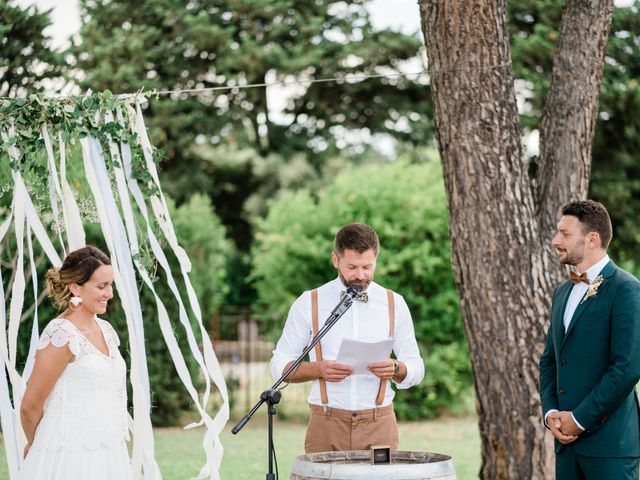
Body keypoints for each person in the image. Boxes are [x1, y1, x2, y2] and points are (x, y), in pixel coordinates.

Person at [270, 223, 424, 453]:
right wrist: (318, 369)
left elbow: (416, 367)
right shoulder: (309, 303)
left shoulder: (395, 304)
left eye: (367, 267)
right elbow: (278, 366)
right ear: (335, 260)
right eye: (352, 267)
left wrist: (395, 368)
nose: (360, 275)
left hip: (379, 424)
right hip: (325, 424)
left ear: (376, 261)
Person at [539, 200, 640, 480]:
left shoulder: (627, 290)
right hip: (566, 448)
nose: (555, 240)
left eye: (565, 234)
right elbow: (550, 360)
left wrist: (579, 419)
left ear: (592, 239)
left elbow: (626, 368)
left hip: (611, 448)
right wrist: (552, 415)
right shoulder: (562, 292)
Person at [19, 245, 132, 480]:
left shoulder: (107, 330)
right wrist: (40, 447)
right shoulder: (61, 334)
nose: (110, 294)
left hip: (109, 453)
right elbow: (30, 406)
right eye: (101, 286)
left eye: (110, 285)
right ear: (74, 287)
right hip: (69, 459)